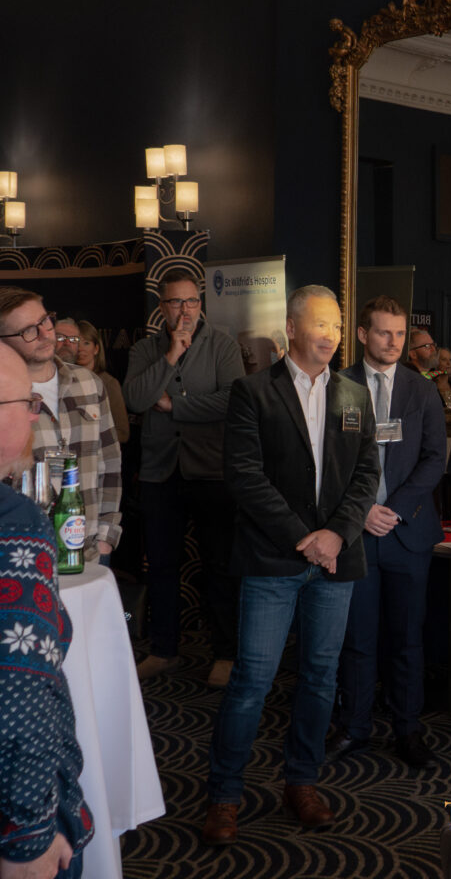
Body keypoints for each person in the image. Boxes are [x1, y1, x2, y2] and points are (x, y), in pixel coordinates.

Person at [200, 285, 379, 846]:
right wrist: (308, 538)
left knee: (321, 679)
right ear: (292, 329)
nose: (329, 335)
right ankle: (224, 796)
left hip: (336, 562)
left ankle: (302, 782)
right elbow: (245, 478)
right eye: (319, 324)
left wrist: (338, 535)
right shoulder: (253, 391)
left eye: (336, 325)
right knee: (252, 681)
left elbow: (367, 473)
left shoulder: (355, 393)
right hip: (273, 558)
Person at [330, 296, 447, 769]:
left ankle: (407, 729)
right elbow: (326, 464)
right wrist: (362, 513)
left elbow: (434, 458)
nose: (394, 342)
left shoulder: (422, 392)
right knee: (356, 638)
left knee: (406, 638)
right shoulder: (337, 387)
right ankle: (353, 729)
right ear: (362, 335)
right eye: (384, 333)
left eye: (400, 334)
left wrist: (392, 509)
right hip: (355, 534)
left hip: (407, 533)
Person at [123, 269, 246, 685]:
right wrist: (171, 356)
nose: (185, 310)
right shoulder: (146, 349)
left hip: (211, 471)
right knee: (160, 566)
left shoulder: (223, 346)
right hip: (160, 472)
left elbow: (232, 400)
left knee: (219, 565)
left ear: (201, 304)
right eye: (176, 302)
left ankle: (226, 654)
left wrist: (174, 405)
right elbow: (135, 399)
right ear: (161, 307)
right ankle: (163, 650)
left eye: (192, 301)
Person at [0, 342, 94, 879]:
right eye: (27, 404)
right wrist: (31, 834)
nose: (37, 415)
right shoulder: (16, 524)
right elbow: (19, 694)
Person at [0, 288, 121, 563]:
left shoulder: (89, 383)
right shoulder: (5, 395)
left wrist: (105, 538)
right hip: (24, 553)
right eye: (28, 331)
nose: (45, 334)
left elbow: (110, 464)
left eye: (45, 321)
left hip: (89, 548)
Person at [55, 319, 129, 444]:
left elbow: (122, 432)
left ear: (96, 349)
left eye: (86, 343)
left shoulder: (108, 383)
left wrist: (87, 439)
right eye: (77, 342)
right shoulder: (61, 379)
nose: (80, 349)